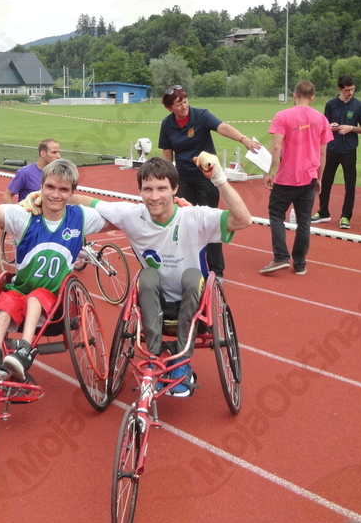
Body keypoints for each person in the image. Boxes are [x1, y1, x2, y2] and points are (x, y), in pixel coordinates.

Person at [76, 156, 252, 397]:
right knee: (147, 276)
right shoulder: (131, 214)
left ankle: (181, 362)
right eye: (148, 189)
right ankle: (154, 355)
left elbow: (243, 220)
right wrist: (42, 196)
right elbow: (87, 201)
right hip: (154, 304)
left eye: (161, 188)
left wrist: (218, 178)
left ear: (175, 189)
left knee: (192, 276)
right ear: (139, 191)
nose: (154, 196)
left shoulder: (194, 216)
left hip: (196, 306)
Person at [0, 153, 106, 380]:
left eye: (64, 190)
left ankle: (25, 350)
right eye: (50, 187)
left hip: (56, 301)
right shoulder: (23, 215)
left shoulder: (81, 217)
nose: (55, 195)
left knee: (36, 297)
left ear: (73, 192)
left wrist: (160, 208)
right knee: (8, 298)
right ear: (40, 187)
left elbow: (123, 217)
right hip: (21, 290)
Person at [158, 85, 260, 278]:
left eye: (185, 101)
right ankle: (188, 267)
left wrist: (243, 139)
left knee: (211, 222)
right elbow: (167, 154)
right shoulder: (167, 124)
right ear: (170, 108)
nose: (184, 106)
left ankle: (216, 271)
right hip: (183, 178)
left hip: (206, 177)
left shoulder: (201, 116)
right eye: (179, 104)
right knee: (183, 222)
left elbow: (222, 127)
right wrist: (165, 181)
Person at [261, 81, 333, 275]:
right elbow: (323, 153)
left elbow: (276, 146)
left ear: (294, 95)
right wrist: (319, 178)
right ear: (312, 97)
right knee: (304, 221)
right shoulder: (321, 119)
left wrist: (268, 171)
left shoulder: (283, 116)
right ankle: (300, 263)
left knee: (277, 214)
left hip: (286, 177)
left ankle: (280, 257)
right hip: (309, 176)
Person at [312, 75, 361, 230]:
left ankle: (345, 216)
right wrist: (331, 127)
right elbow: (324, 126)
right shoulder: (331, 104)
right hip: (332, 148)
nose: (350, 93)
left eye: (352, 89)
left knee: (350, 184)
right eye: (347, 90)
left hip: (349, 149)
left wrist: (351, 128)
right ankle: (323, 212)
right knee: (325, 181)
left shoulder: (359, 106)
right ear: (340, 89)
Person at [3, 139, 61, 203]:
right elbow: (7, 195)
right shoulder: (25, 172)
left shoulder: (59, 173)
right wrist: (13, 210)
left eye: (58, 152)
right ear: (43, 153)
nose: (58, 156)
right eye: (54, 152)